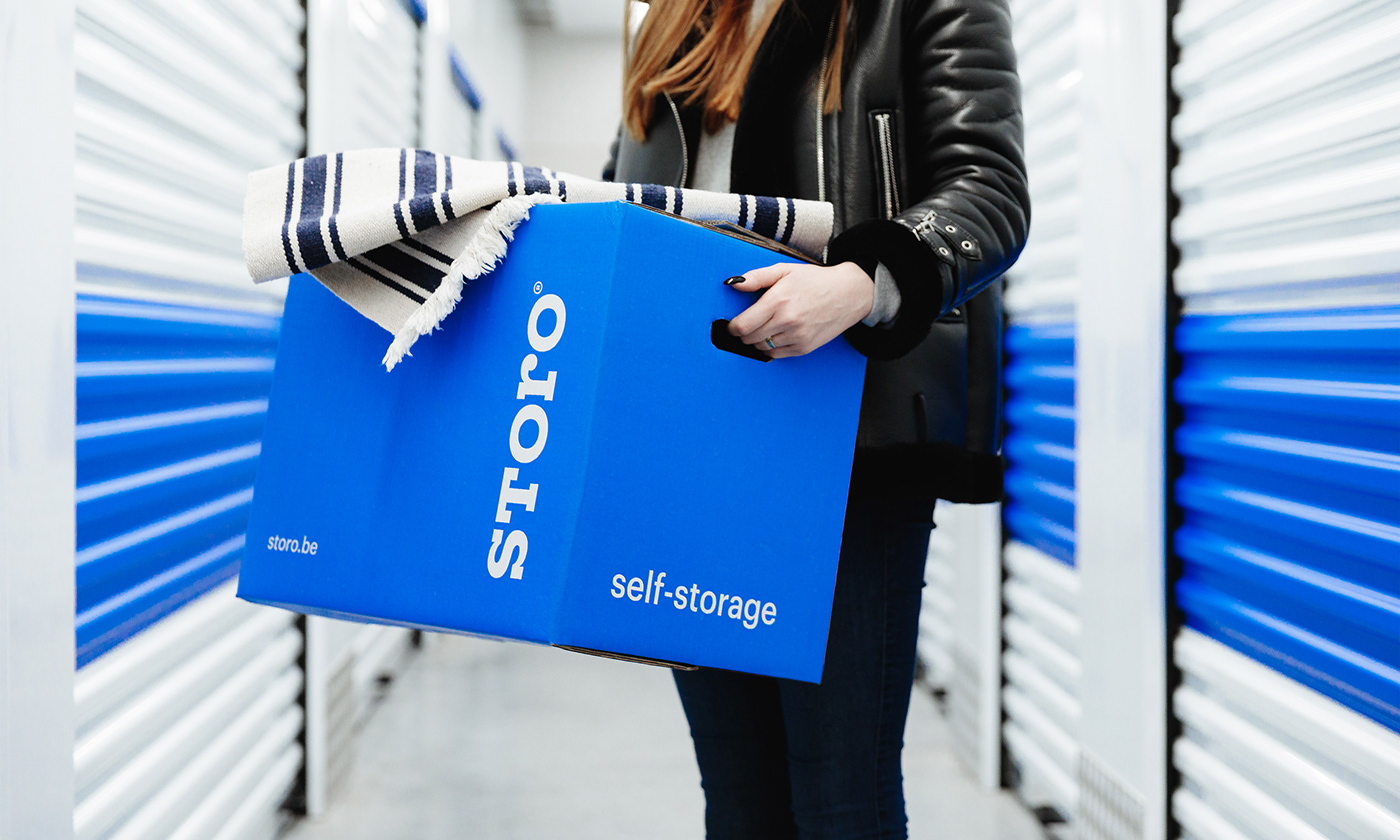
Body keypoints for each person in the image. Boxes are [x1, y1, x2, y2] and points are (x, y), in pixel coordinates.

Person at [604, 0, 1028, 836]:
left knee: (843, 802)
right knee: (739, 799)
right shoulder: (672, 17)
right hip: (692, 440)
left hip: (849, 444)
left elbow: (990, 189)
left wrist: (865, 282)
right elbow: (624, 196)